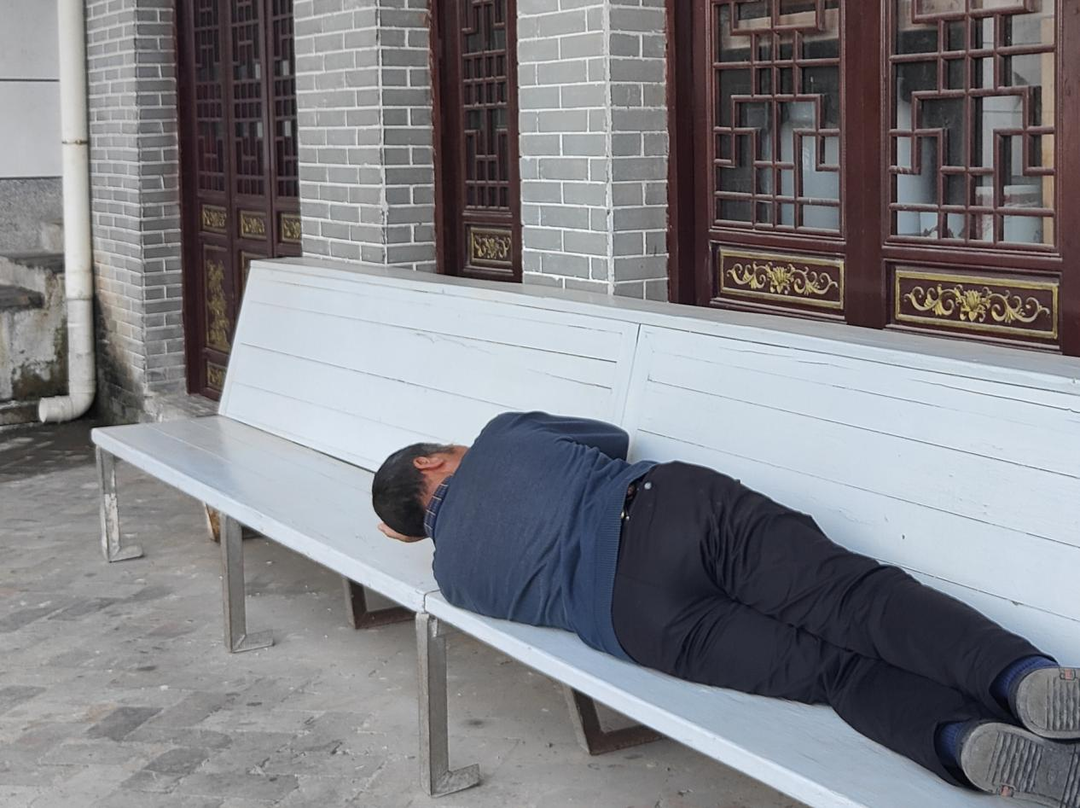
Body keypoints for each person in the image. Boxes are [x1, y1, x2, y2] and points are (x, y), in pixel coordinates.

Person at [372, 411, 1079, 806]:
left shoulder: (455, 577)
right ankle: (1023, 681)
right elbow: (610, 440)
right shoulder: (502, 437)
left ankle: (964, 742)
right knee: (856, 601)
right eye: (447, 447)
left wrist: (412, 530)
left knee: (834, 674)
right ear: (431, 463)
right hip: (668, 515)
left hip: (640, 625)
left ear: (408, 531)